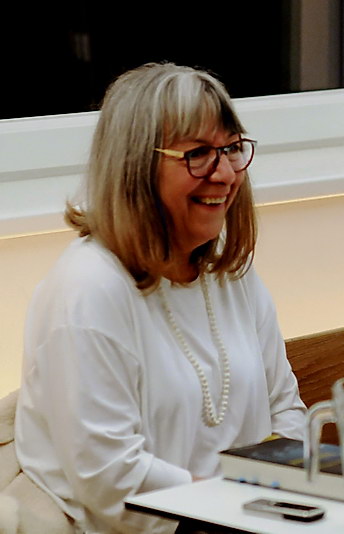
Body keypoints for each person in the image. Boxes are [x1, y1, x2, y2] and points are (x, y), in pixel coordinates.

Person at [14, 63, 306, 533]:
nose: (225, 173)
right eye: (198, 154)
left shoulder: (229, 271)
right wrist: (234, 505)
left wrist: (275, 500)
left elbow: (287, 411)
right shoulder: (87, 290)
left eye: (232, 148)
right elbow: (110, 477)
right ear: (134, 167)